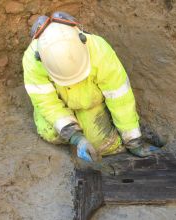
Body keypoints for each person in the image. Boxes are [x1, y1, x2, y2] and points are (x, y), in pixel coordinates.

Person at [22, 12, 159, 162]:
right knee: (49, 133)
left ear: (83, 42)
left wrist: (132, 140)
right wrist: (76, 138)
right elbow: (47, 103)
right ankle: (72, 134)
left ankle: (135, 131)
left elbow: (120, 98)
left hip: (91, 105)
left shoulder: (99, 50)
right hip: (60, 106)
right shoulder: (32, 61)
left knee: (102, 145)